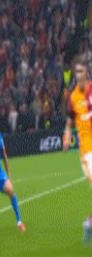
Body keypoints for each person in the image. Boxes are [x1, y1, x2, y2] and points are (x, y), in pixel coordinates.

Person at [63, 56, 92, 243]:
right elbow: (68, 123)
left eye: (81, 71)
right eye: (76, 72)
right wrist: (66, 136)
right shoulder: (73, 98)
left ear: (87, 72)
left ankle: (89, 223)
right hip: (87, 152)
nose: (78, 75)